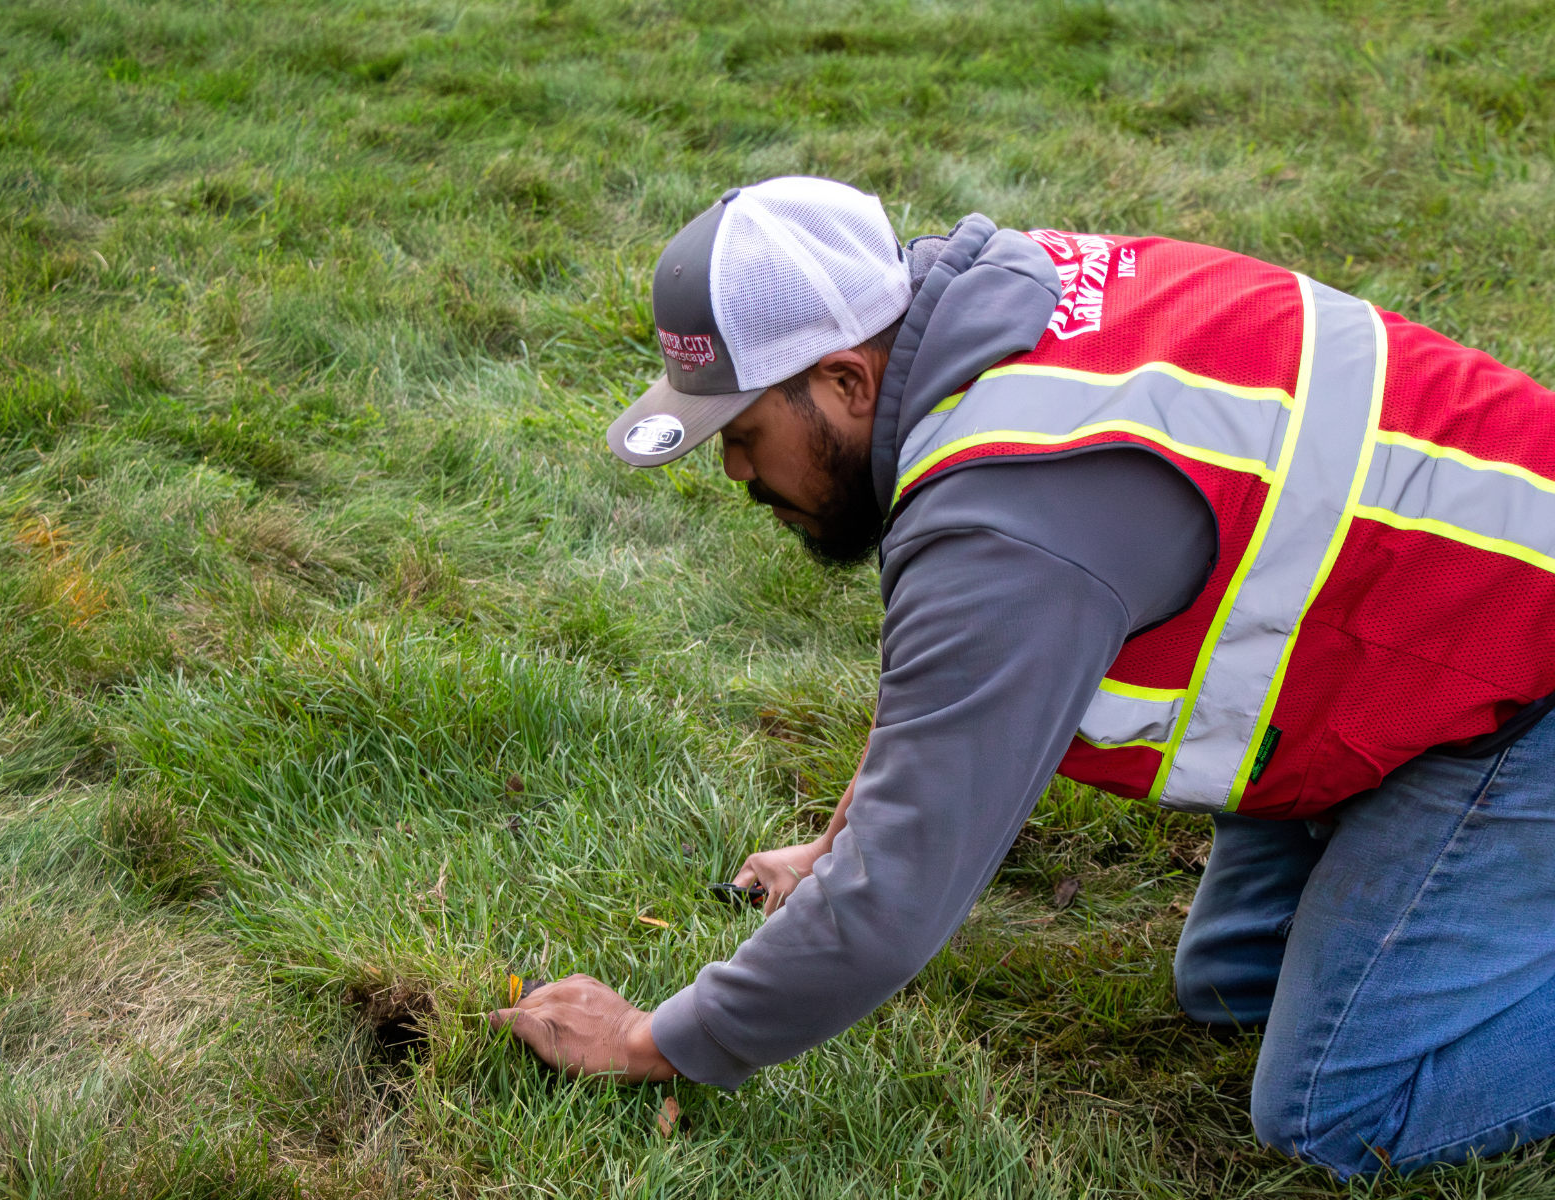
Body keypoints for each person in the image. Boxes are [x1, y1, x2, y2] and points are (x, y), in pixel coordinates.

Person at [488, 176, 1555, 1180]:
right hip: (1424, 638)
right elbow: (955, 684)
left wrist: (648, 1040)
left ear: (847, 380)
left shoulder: (1012, 520)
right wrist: (833, 844)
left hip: (1520, 696)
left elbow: (896, 896)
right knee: (1232, 984)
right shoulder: (992, 303)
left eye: (745, 432)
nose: (732, 473)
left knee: (1336, 1104)